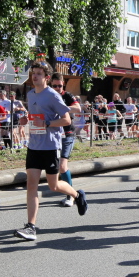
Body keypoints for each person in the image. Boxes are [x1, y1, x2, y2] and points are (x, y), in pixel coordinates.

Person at [14, 61, 87, 241]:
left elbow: (66, 120)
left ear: (46, 77)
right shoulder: (30, 94)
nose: (35, 76)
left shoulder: (53, 95)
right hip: (34, 145)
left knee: (53, 186)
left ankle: (77, 195)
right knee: (31, 186)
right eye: (33, 73)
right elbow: (35, 116)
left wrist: (47, 123)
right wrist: (26, 119)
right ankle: (31, 226)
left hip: (51, 146)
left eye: (39, 73)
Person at [50, 72, 81, 207]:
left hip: (67, 134)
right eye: (55, 86)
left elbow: (77, 108)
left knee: (63, 166)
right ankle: (70, 192)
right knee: (57, 167)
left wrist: (63, 108)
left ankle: (71, 196)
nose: (57, 88)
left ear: (63, 84)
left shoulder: (67, 96)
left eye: (60, 86)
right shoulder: (48, 96)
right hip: (53, 135)